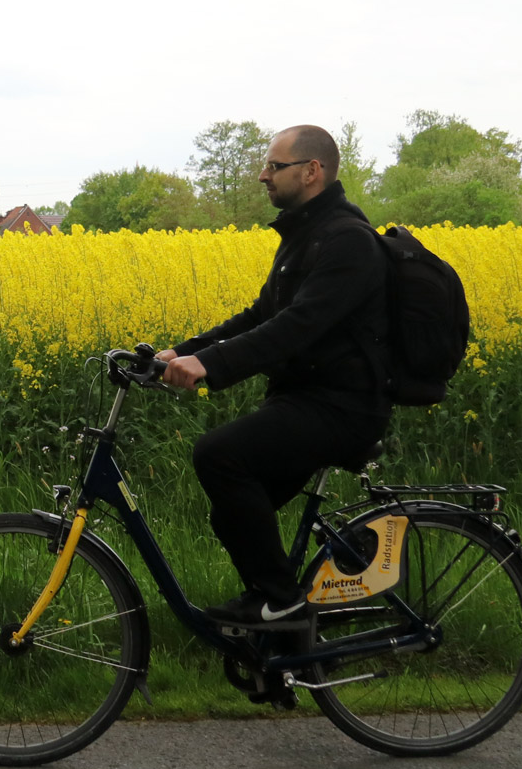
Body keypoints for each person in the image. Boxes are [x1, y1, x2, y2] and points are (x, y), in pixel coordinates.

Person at [155, 124, 389, 627]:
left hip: (342, 407)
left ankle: (282, 603)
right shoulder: (305, 236)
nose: (263, 175)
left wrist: (209, 367)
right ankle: (281, 638)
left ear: (312, 171)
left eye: (273, 166)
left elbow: (295, 329)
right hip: (306, 400)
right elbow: (261, 316)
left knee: (218, 454)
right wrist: (181, 352)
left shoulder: (348, 241)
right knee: (235, 509)